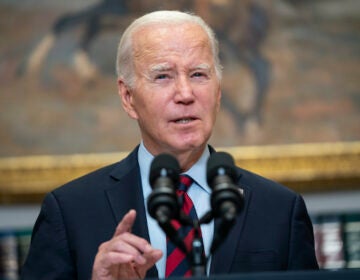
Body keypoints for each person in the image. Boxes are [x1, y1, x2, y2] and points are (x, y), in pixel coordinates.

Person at [21, 10, 318, 280]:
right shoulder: (70, 212)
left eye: (198, 75)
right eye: (163, 76)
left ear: (218, 92)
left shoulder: (280, 210)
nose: (185, 94)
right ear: (128, 97)